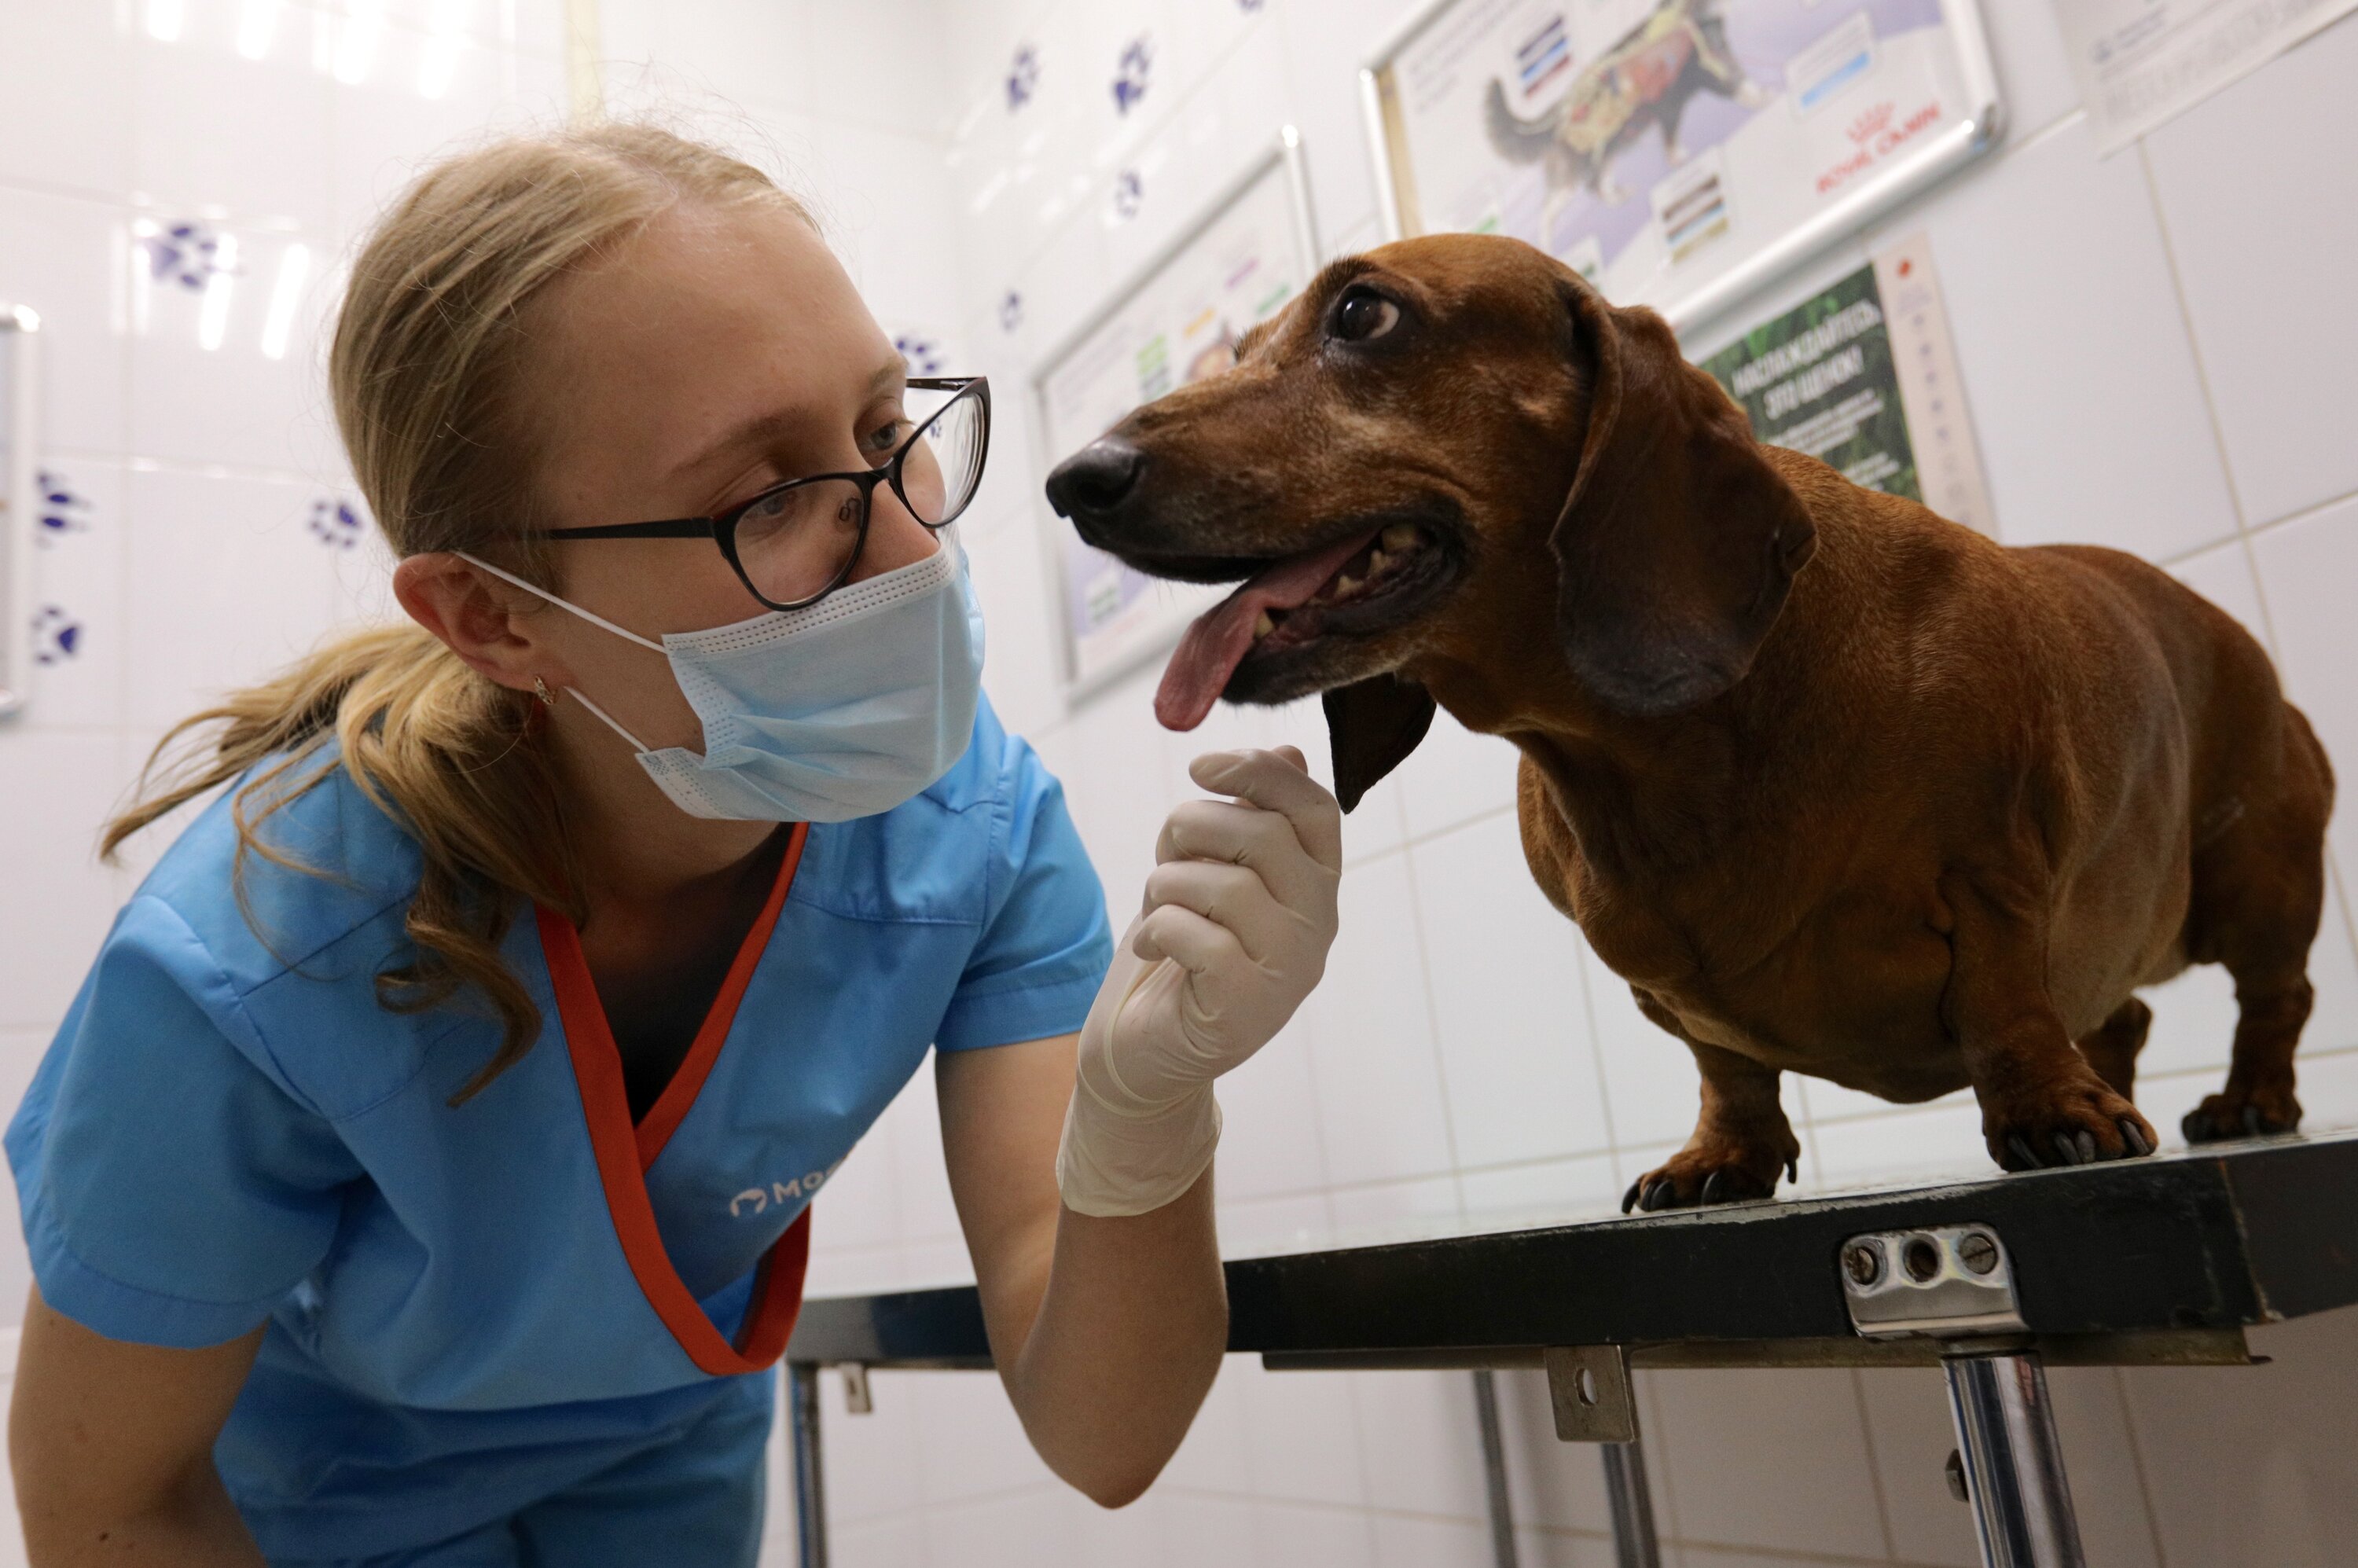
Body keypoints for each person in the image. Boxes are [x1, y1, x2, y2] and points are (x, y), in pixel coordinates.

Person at [4, 123, 1341, 1566]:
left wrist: (1149, 1116)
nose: (908, 554)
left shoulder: (976, 836)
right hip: (316, 1508)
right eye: (768, 503)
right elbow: (109, 1504)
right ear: (495, 617)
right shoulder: (257, 966)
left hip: (668, 1471)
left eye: (888, 436)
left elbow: (1107, 1440)